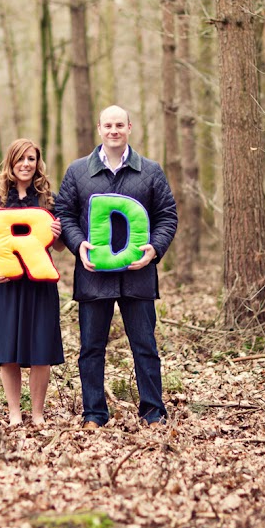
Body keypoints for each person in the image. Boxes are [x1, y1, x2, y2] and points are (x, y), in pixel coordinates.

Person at [54, 105, 178, 429]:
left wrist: (155, 249)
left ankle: (153, 413)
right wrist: (78, 244)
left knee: (145, 347)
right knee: (91, 349)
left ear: (129, 128)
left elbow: (167, 215)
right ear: (99, 128)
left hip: (138, 275)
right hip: (93, 277)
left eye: (119, 125)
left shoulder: (150, 171)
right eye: (108, 125)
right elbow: (64, 214)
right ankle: (94, 414)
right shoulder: (78, 171)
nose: (113, 131)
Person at [0, 138, 64, 428]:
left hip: (40, 285)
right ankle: (14, 412)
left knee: (41, 349)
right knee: (8, 350)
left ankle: (38, 413)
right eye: (20, 159)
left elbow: (61, 248)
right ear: (10, 162)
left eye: (31, 159)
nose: (26, 164)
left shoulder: (48, 200)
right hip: (6, 284)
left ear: (37, 163)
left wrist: (58, 232)